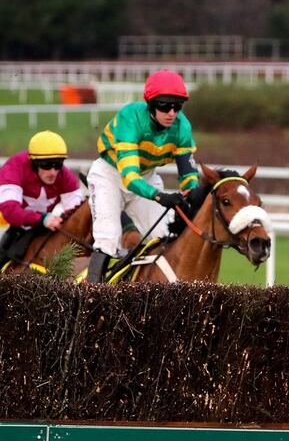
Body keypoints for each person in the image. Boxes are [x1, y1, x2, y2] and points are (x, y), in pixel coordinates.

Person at [85, 69, 199, 283]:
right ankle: (92, 298)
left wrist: (190, 195)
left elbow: (188, 173)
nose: (172, 113)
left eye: (177, 106)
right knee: (108, 237)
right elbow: (129, 177)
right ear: (150, 103)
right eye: (165, 105)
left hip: (146, 177)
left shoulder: (182, 127)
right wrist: (160, 196)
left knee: (161, 238)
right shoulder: (131, 117)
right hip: (110, 175)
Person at [0, 131, 85, 259]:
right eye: (46, 165)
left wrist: (61, 219)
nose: (53, 172)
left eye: (58, 165)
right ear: (33, 163)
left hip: (40, 227)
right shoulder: (14, 168)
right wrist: (42, 219)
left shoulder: (65, 176)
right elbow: (11, 212)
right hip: (9, 224)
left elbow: (77, 213)